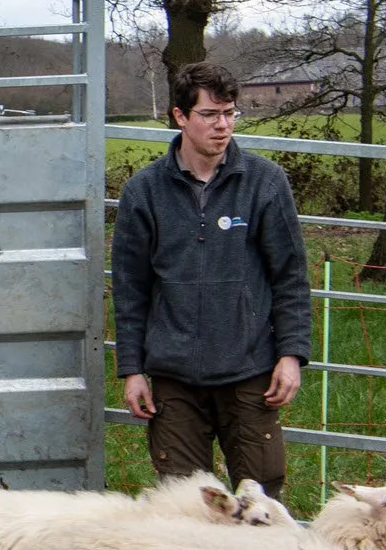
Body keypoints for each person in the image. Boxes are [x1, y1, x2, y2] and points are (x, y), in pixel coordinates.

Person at [110, 61, 311, 500]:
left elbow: (290, 275)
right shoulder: (144, 192)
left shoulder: (264, 183)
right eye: (209, 115)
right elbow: (130, 289)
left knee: (261, 498)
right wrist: (132, 369)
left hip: (250, 369)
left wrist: (291, 353)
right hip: (174, 376)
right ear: (181, 117)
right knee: (185, 503)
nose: (222, 126)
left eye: (230, 114)